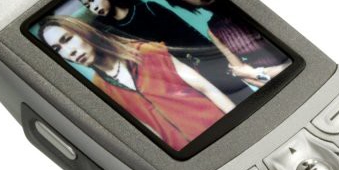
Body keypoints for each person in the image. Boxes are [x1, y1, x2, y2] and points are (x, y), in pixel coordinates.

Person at [38, 15, 235, 151]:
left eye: (67, 39)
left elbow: (206, 87)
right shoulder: (99, 88)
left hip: (221, 131)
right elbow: (146, 134)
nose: (69, 51)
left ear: (84, 32)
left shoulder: (146, 52)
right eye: (58, 49)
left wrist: (237, 126)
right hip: (188, 156)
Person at [77, 0, 253, 104]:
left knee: (246, 101)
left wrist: (219, 59)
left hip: (205, 64)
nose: (93, 7)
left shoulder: (149, 8)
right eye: (87, 5)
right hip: (179, 81)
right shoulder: (114, 35)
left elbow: (189, 32)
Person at [150, 0, 291, 87]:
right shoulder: (214, 30)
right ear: (176, 0)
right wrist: (255, 75)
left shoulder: (249, 0)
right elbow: (247, 79)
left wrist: (256, 73)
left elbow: (298, 57)